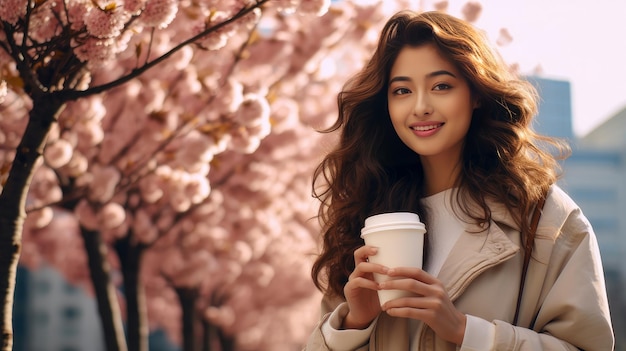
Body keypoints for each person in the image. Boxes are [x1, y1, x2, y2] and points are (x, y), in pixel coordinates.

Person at [304, 10, 614, 351]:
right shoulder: (365, 213)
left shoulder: (546, 218)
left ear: (477, 93)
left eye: (441, 86)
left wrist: (466, 332)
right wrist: (353, 325)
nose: (420, 107)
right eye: (402, 91)